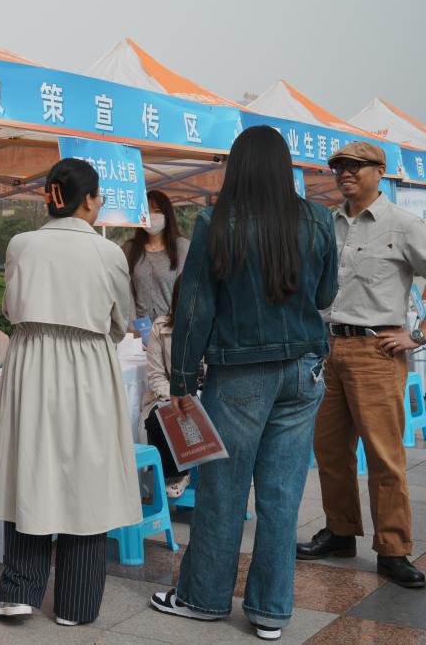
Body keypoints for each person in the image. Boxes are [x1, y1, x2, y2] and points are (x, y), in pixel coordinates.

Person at [149, 126, 339, 641]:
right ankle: (271, 612)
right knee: (282, 495)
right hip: (304, 371)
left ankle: (203, 599)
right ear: (283, 166)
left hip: (239, 375)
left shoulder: (216, 221)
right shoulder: (319, 219)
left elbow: (195, 306)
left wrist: (182, 378)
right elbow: (327, 293)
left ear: (238, 167)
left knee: (223, 490)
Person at [0, 158, 141, 627]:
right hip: (88, 362)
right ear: (90, 200)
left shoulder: (21, 244)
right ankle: (76, 603)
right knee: (86, 478)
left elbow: (11, 307)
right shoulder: (107, 252)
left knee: (29, 467)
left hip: (30, 360)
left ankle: (18, 591)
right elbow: (121, 320)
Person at [296, 141, 426, 590]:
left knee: (384, 456)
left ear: (379, 170)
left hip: (377, 352)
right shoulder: (325, 223)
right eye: (338, 166)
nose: (344, 173)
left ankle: (393, 549)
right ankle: (340, 531)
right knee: (330, 451)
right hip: (327, 349)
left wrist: (418, 335)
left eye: (355, 166)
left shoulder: (403, 224)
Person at [140, 274, 192, 498]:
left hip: (204, 393)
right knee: (157, 419)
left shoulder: (215, 325)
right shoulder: (161, 326)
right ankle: (175, 475)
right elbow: (156, 375)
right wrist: (173, 396)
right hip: (169, 393)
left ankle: (185, 473)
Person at [122, 190, 190, 321]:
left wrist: (171, 324)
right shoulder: (129, 249)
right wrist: (133, 325)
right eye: (147, 212)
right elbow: (126, 290)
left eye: (157, 211)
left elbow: (184, 290)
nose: (151, 216)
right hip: (139, 327)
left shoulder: (181, 247)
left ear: (167, 215)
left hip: (171, 325)